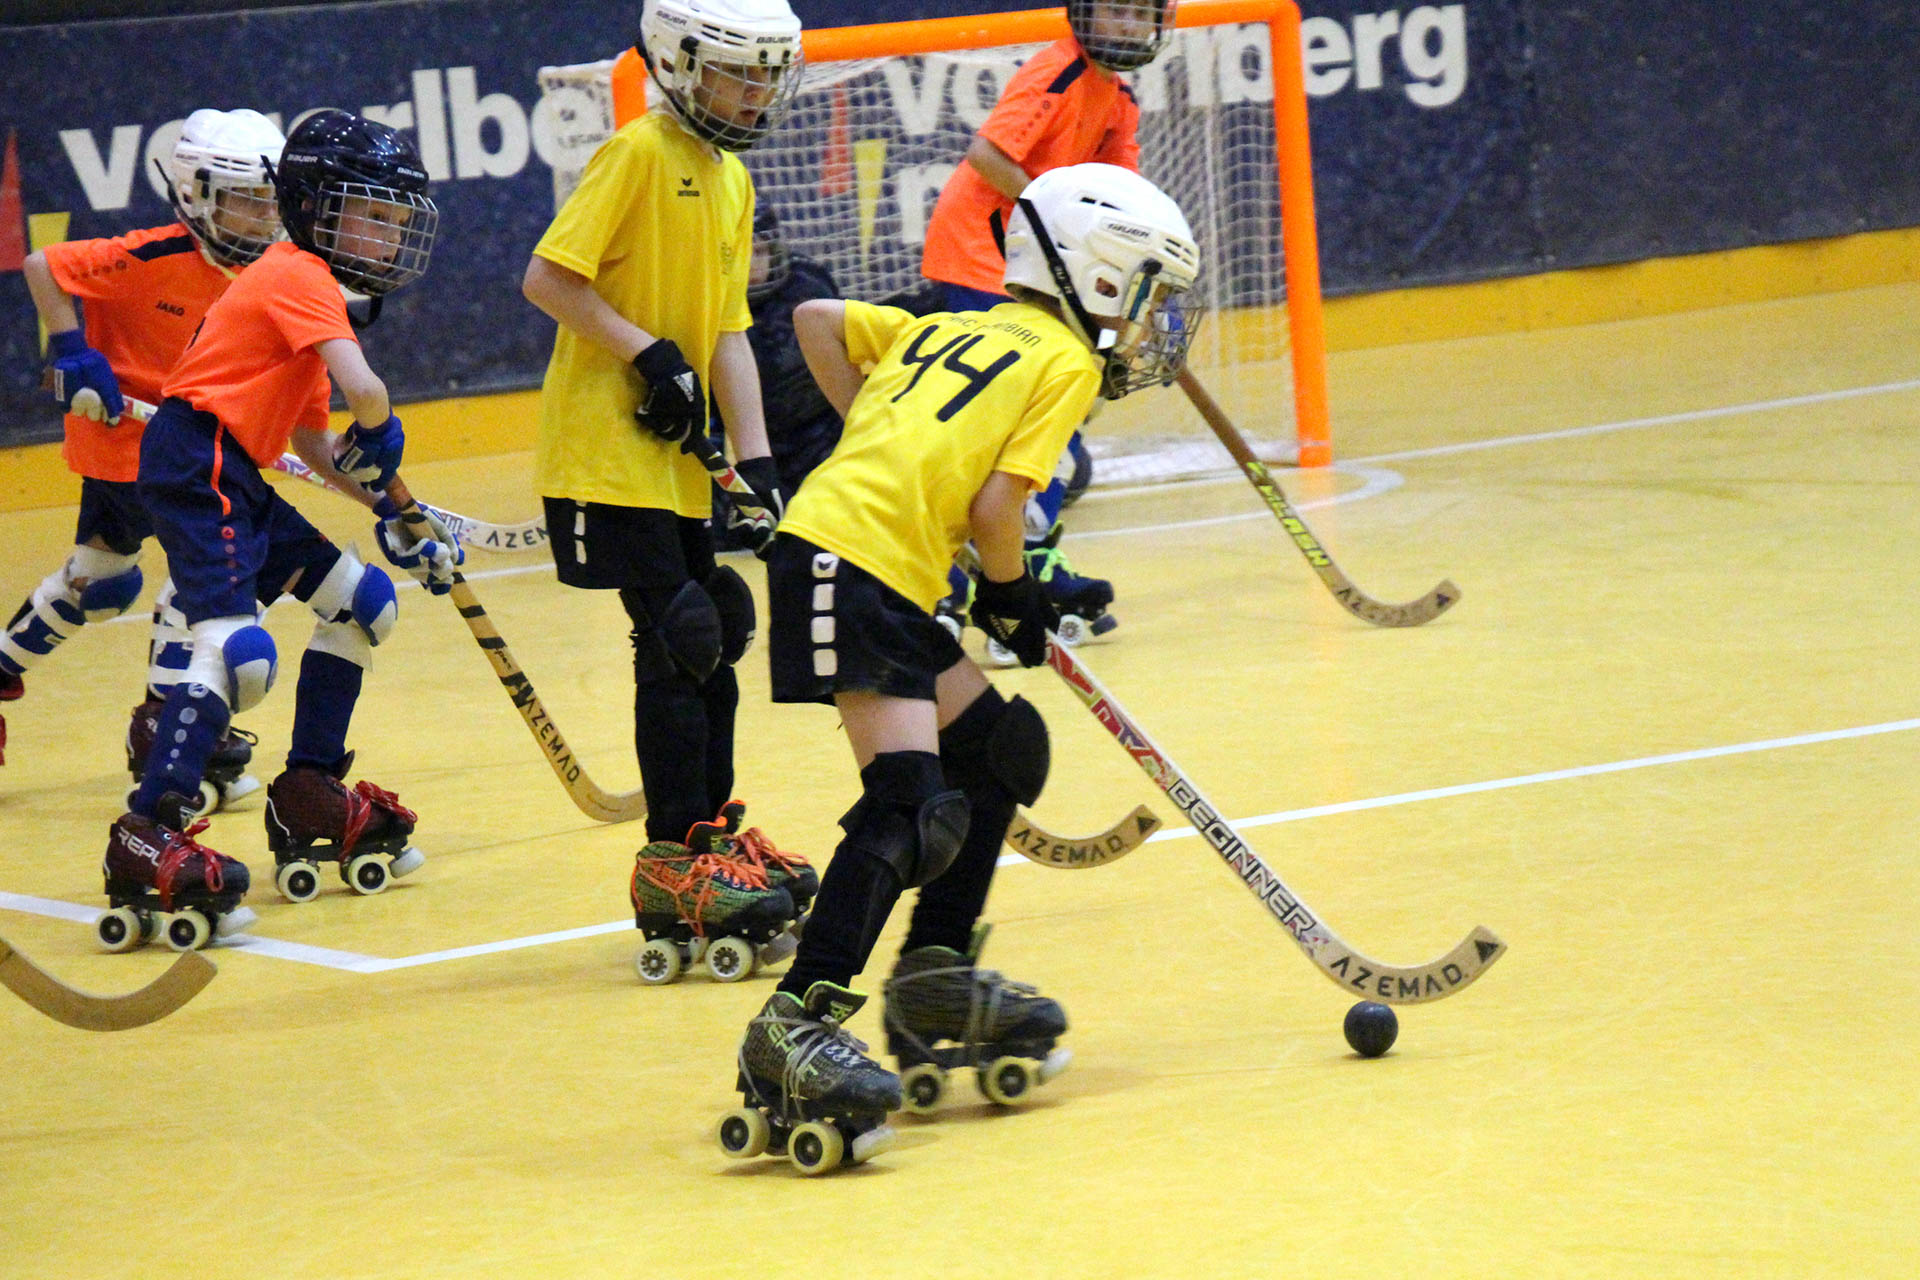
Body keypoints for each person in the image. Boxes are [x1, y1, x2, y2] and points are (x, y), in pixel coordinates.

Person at [719, 163, 1204, 1173]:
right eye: (1147, 290)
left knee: (998, 748)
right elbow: (997, 510)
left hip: (859, 555)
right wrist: (1010, 591)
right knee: (909, 805)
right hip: (850, 562)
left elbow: (815, 321)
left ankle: (933, 979)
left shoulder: (953, 323)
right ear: (1100, 277)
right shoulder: (1064, 361)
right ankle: (792, 1026)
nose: (1151, 318)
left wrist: (887, 445)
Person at [95, 109, 458, 953]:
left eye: (395, 219)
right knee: (236, 651)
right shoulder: (297, 272)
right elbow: (367, 396)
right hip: (198, 461)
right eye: (371, 215)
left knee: (363, 604)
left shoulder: (307, 293)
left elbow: (315, 445)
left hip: (235, 471)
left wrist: (400, 514)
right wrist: (382, 430)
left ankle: (307, 792)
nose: (387, 235)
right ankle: (146, 830)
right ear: (315, 209)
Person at [520, 0, 816, 977]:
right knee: (680, 633)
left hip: (679, 465)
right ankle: (670, 864)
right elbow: (549, 280)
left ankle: (711, 834)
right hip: (603, 454)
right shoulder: (638, 153)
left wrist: (759, 465)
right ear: (682, 64)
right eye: (741, 71)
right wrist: (646, 352)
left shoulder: (731, 176)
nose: (758, 92)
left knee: (719, 624)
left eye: (769, 73)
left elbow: (728, 332)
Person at [2, 109, 286, 803]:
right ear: (197, 193)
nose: (264, 217)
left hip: (191, 452)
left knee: (100, 583)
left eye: (271, 201)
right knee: (204, 582)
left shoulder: (271, 272)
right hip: (123, 445)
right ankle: (166, 729)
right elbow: (43, 266)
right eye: (248, 201)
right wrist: (73, 351)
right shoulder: (149, 255)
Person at [917, 0, 1180, 650]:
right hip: (982, 255)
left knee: (1064, 409)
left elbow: (1126, 202)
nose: (1127, 25)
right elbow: (987, 154)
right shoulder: (1056, 71)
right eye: (1115, 9)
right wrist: (1062, 221)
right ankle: (965, 579)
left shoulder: (1119, 101)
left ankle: (1030, 558)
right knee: (1007, 423)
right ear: (1084, 12)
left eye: (1139, 12)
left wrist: (1149, 293)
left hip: (1038, 264)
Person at [709, 206, 845, 549]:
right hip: (753, 448)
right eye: (743, 253)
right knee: (732, 536)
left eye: (760, 252)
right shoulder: (709, 301)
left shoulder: (809, 284)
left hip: (819, 435)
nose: (753, 265)